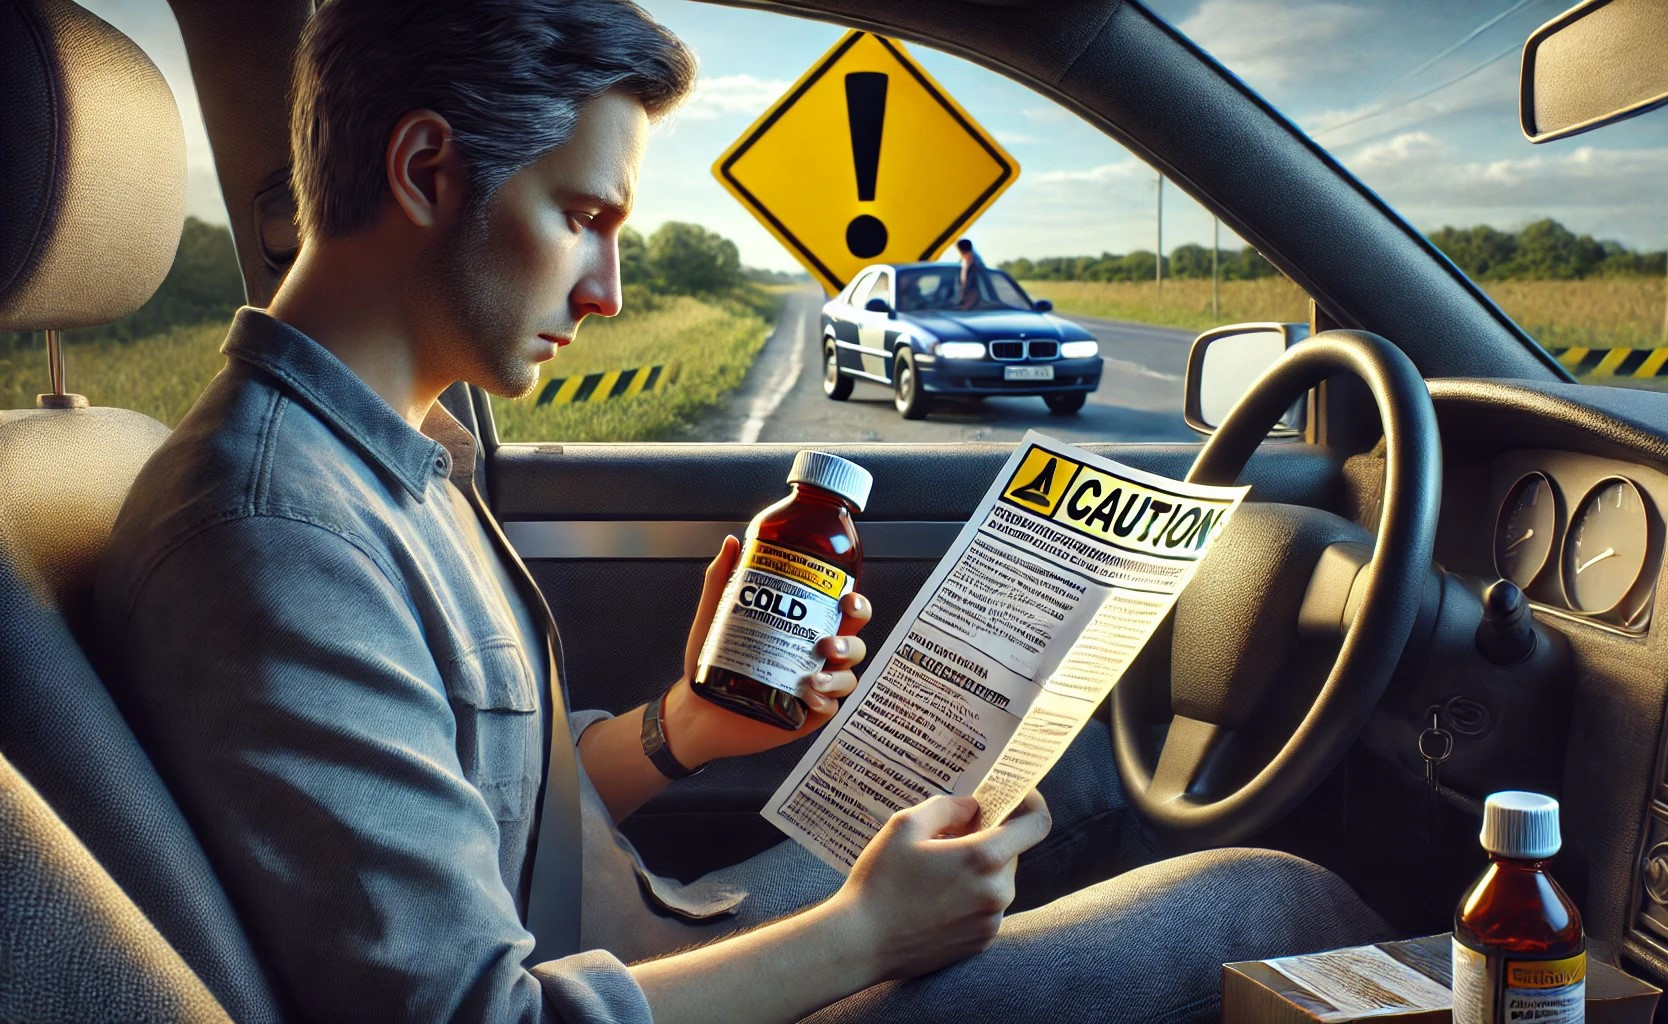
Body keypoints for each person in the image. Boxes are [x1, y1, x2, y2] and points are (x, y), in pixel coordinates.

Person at [94, 2, 1390, 1021]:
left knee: (1090, 779)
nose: (606, 289)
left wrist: (683, 732)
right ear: (429, 166)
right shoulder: (277, 533)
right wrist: (864, 940)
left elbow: (486, 814)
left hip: (633, 935)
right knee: (1270, 908)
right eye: (584, 218)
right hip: (622, 994)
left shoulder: (391, 457)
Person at [956, 237, 989, 310]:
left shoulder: (976, 267)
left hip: (974, 307)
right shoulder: (963, 264)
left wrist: (965, 308)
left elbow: (975, 290)